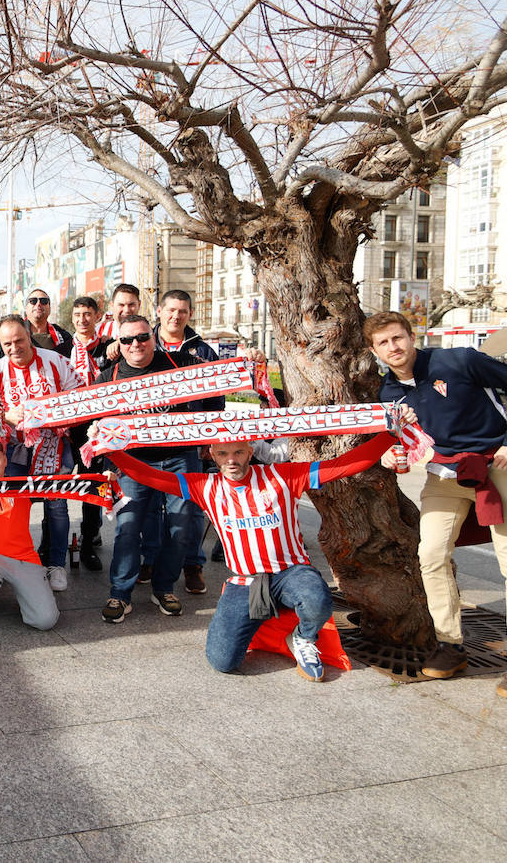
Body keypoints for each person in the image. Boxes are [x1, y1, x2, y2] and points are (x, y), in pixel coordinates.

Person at [107, 425, 405, 680]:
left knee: (317, 599)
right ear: (212, 455)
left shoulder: (284, 475)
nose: (231, 460)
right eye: (223, 454)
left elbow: (345, 464)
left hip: (291, 571)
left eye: (238, 452)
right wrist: (110, 450)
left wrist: (390, 436)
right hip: (246, 581)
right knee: (222, 662)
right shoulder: (204, 486)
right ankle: (262, 622)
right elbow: (146, 476)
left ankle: (303, 637)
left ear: (250, 451)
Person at [367, 311, 507, 701]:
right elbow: (404, 446)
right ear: (374, 350)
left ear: (412, 338)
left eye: (398, 338)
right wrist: (392, 458)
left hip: (495, 466)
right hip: (444, 476)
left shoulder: (458, 359)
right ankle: (451, 645)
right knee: (430, 555)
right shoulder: (389, 395)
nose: (393, 348)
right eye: (383, 343)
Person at [97, 315, 204, 618]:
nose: (136, 344)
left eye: (142, 337)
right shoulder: (109, 376)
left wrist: (250, 359)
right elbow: (96, 423)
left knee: (181, 525)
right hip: (132, 462)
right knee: (127, 527)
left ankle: (164, 587)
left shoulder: (179, 361)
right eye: (128, 339)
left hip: (180, 456)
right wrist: (107, 463)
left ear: (153, 337)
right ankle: (120, 594)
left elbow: (222, 376)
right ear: (119, 343)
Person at [0, 314, 82, 590]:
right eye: (7, 343)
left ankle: (56, 564)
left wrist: (56, 415)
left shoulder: (56, 361)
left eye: (19, 340)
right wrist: (6, 416)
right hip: (14, 450)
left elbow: (80, 396)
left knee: (57, 506)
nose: (14, 348)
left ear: (29, 337)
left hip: (53, 445)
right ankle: (15, 559)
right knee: (11, 506)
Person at [152, 289, 224, 591]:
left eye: (182, 311)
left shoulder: (203, 351)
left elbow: (216, 398)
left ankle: (193, 564)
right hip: (150, 442)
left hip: (189, 444)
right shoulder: (142, 343)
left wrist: (210, 440)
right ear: (159, 311)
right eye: (170, 310)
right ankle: (150, 559)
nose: (175, 316)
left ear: (190, 315)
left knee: (191, 507)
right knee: (151, 507)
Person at [0, 438, 60, 631]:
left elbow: (60, 486)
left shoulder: (21, 486)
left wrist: (101, 479)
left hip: (24, 559)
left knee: (45, 621)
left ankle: (27, 591)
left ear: (5, 461)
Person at [66, 296, 114, 572]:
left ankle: (88, 541)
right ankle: (55, 542)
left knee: (92, 481)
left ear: (97, 316)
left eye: (87, 314)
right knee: (60, 484)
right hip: (68, 425)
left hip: (98, 425)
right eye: (77, 314)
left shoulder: (109, 347)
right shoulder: (62, 347)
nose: (82, 319)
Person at [23, 287, 73, 356]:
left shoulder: (64, 337)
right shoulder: (14, 334)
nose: (38, 304)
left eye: (44, 301)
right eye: (33, 301)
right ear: (26, 308)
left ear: (49, 308)